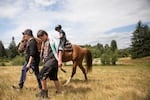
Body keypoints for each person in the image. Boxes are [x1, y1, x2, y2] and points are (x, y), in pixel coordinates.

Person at [36, 30, 61, 98]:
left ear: (46, 35)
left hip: (52, 60)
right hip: (49, 61)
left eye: (42, 37)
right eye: (40, 38)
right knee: (54, 77)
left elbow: (59, 49)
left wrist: (60, 60)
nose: (41, 39)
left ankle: (44, 94)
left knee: (41, 75)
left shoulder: (52, 41)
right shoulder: (44, 42)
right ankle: (59, 91)